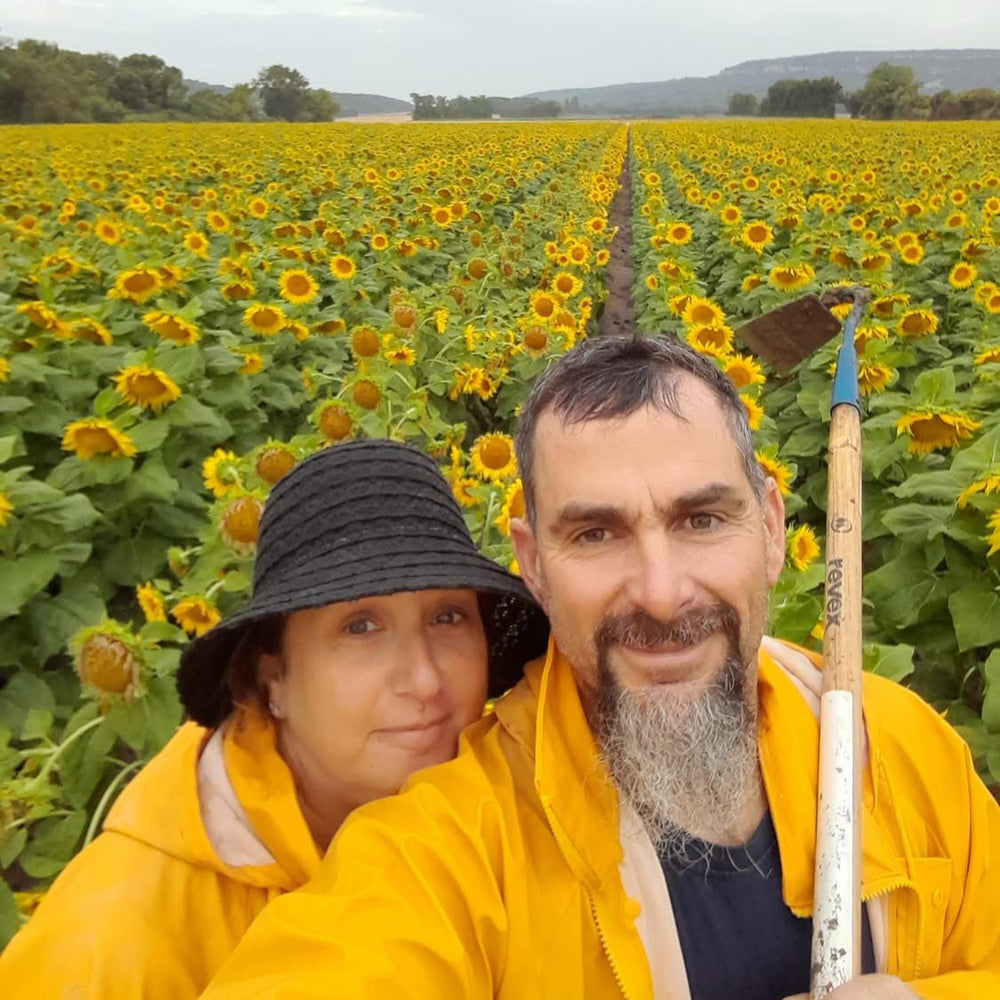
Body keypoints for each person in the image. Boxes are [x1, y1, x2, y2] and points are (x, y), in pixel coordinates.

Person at [201, 335, 1000, 1000]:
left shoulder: (896, 746)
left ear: (770, 524)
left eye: (702, 518)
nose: (659, 593)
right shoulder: (452, 848)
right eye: (595, 535)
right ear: (532, 563)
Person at [0, 439, 547, 999]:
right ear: (274, 677)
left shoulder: (514, 800)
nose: (426, 679)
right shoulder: (108, 951)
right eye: (360, 627)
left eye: (448, 617)